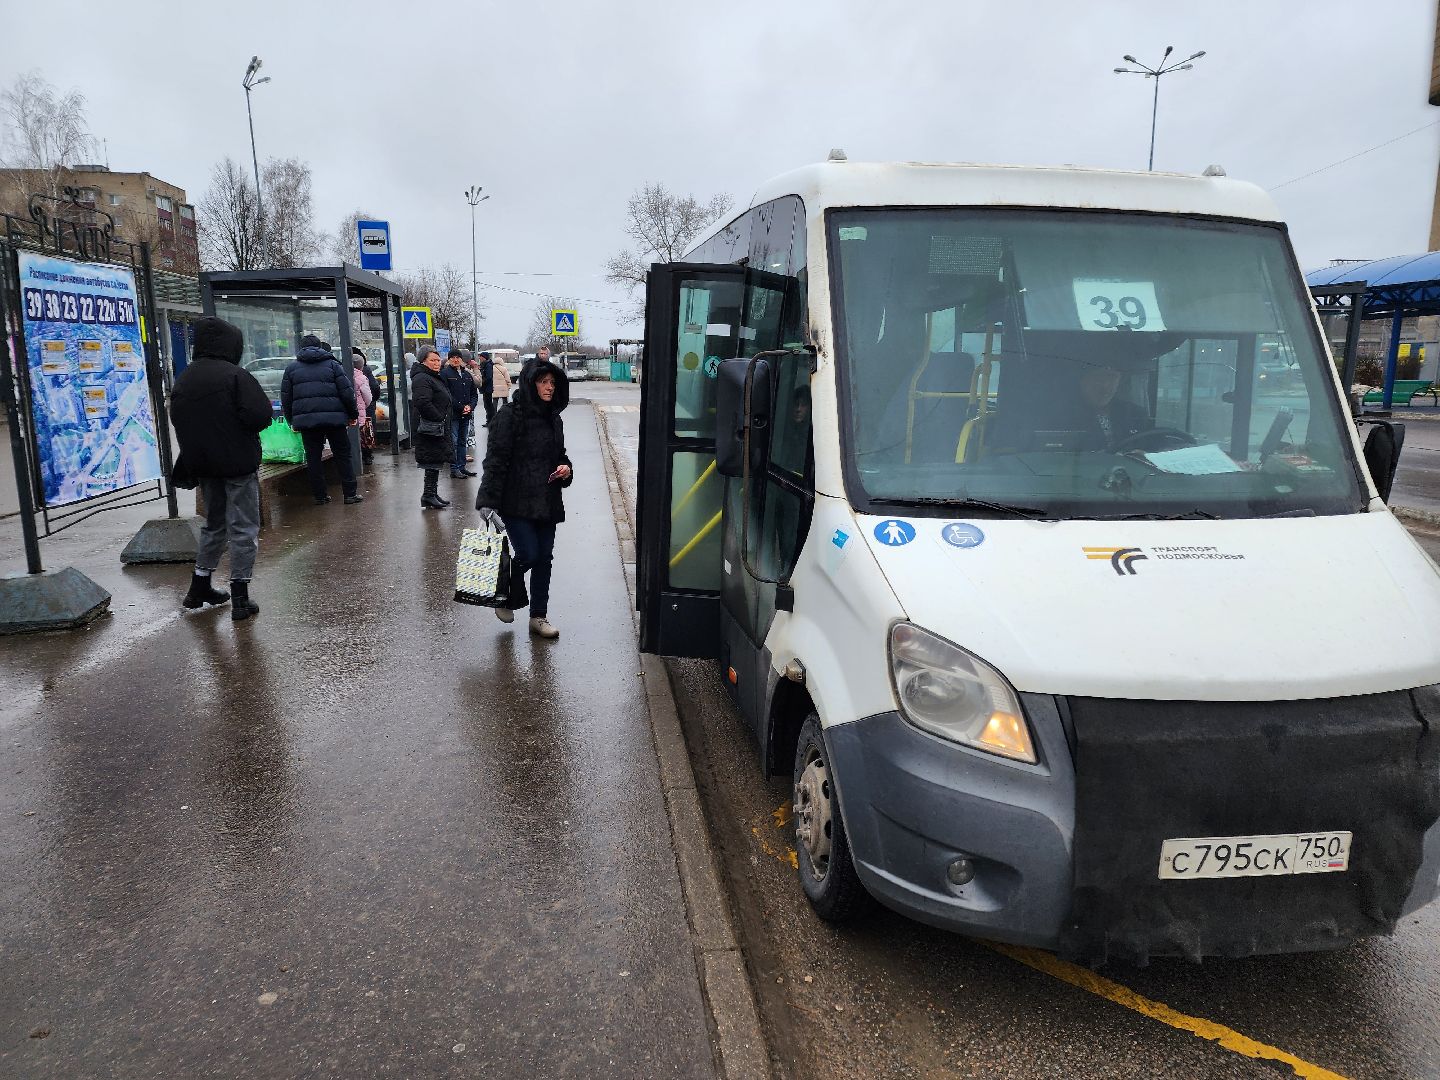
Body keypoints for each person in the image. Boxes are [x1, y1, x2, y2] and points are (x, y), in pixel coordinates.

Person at [169, 316, 272, 622]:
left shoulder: (185, 378)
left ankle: (199, 585)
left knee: (214, 524)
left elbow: (179, 419)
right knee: (244, 527)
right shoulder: (236, 376)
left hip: (203, 464)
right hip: (237, 463)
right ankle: (240, 595)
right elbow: (259, 416)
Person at [475, 358, 572, 639]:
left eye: (552, 382)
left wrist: (566, 469)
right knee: (529, 553)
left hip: (547, 499)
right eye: (543, 382)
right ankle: (503, 593)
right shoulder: (510, 415)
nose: (550, 387)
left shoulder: (554, 418)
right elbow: (495, 460)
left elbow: (560, 455)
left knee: (544, 559)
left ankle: (538, 617)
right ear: (531, 384)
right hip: (516, 500)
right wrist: (488, 501)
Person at [282, 335, 362, 505]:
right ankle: (350, 494)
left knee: (313, 458)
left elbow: (286, 398)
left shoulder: (291, 369)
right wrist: (353, 415)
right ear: (320, 347)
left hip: (307, 422)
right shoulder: (333, 365)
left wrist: (291, 421)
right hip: (335, 419)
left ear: (301, 348)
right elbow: (347, 393)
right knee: (343, 455)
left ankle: (320, 496)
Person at [410, 345, 454, 510]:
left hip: (435, 427)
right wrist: (438, 417)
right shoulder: (422, 378)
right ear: (423, 361)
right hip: (430, 427)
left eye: (438, 360)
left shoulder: (432, 376)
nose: (437, 363)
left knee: (435, 460)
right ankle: (428, 495)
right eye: (433, 360)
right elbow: (422, 402)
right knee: (431, 460)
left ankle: (431, 493)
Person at [441, 347, 478, 479]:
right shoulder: (445, 374)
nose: (456, 360)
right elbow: (447, 395)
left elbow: (474, 394)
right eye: (453, 358)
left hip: (466, 414)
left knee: (463, 442)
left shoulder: (467, 375)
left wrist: (470, 406)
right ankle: (454, 468)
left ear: (461, 359)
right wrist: (461, 407)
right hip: (453, 414)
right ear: (449, 359)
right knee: (454, 442)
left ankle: (462, 467)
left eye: (458, 357)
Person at [354, 346, 381, 466]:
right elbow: (374, 388)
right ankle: (367, 455)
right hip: (366, 407)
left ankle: (357, 454)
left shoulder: (343, 371)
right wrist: (370, 403)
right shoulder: (365, 371)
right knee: (367, 431)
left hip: (351, 408)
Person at [476, 351, 496, 426]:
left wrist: (481, 381)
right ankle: (489, 420)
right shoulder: (484, 364)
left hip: (487, 388)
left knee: (488, 405)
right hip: (485, 388)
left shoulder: (488, 365)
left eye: (481, 356)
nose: (479, 358)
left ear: (484, 357)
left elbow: (489, 377)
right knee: (487, 405)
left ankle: (491, 421)